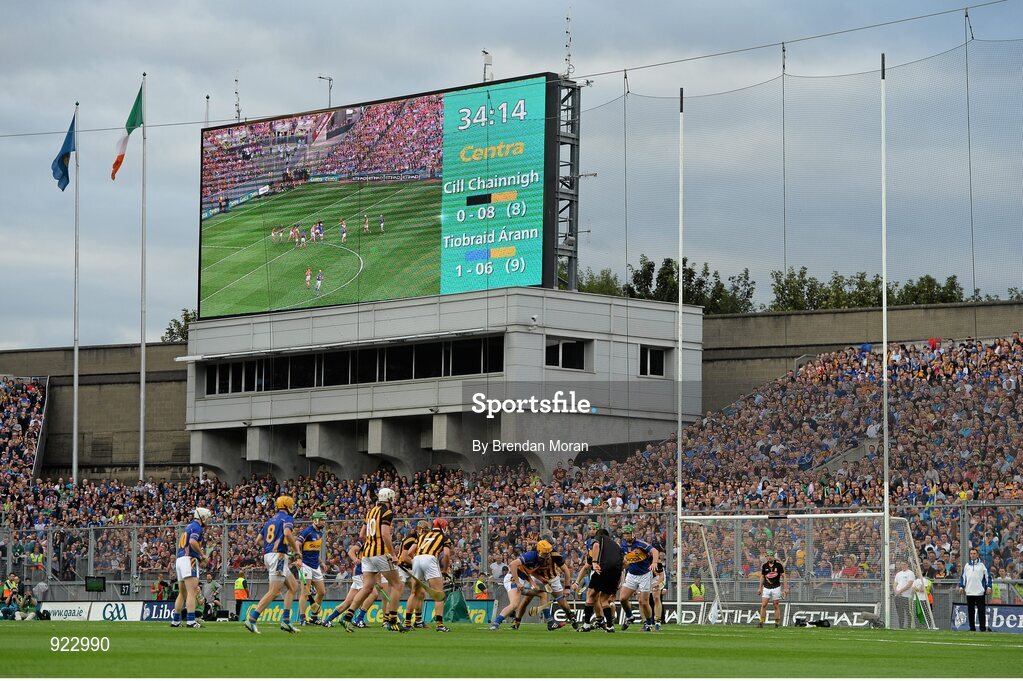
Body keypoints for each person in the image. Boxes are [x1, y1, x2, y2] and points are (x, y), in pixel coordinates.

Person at [335, 487, 405, 632]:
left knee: (367, 588)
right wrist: (392, 554)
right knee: (397, 585)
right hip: (380, 553)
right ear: (390, 499)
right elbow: (386, 535)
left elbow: (362, 534)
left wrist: (372, 543)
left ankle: (348, 616)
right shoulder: (387, 512)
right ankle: (392, 621)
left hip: (367, 554)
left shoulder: (371, 511)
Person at [245, 495, 303, 634]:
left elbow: (258, 540)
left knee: (293, 587)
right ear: (288, 506)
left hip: (271, 555)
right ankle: (252, 619)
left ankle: (286, 621)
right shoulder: (287, 518)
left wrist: (270, 548)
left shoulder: (270, 520)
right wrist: (296, 550)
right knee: (274, 592)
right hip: (279, 558)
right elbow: (288, 534)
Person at [406, 518, 452, 632]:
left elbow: (410, 552)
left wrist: (418, 562)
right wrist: (445, 570)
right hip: (430, 559)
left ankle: (407, 623)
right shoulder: (443, 537)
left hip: (416, 559)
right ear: (443, 527)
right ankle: (439, 625)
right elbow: (446, 555)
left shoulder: (422, 536)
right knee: (439, 594)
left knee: (414, 593)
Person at [173, 507, 212, 629]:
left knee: (182, 593)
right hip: (188, 560)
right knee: (192, 592)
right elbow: (193, 542)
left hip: (180, 559)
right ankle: (191, 621)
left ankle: (176, 621)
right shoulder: (197, 527)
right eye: (207, 518)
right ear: (203, 517)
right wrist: (202, 555)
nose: (208, 520)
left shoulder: (188, 527)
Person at [618, 524, 660, 631]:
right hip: (632, 574)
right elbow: (625, 561)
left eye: (628, 534)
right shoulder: (622, 546)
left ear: (632, 534)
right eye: (624, 534)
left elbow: (655, 551)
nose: (626, 536)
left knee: (644, 602)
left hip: (645, 575)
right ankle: (630, 616)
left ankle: (649, 624)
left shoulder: (641, 544)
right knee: (622, 598)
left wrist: (654, 562)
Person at [297, 512, 328, 625]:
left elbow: (314, 550)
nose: (324, 522)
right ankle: (302, 618)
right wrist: (299, 558)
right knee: (305, 593)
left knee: (321, 592)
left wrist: (321, 562)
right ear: (316, 520)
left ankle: (314, 617)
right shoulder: (307, 531)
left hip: (315, 565)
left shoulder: (319, 533)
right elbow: (297, 544)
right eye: (322, 520)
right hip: (305, 565)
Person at [960, 547, 992, 632]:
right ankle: (972, 628)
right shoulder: (967, 565)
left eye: (974, 553)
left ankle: (982, 628)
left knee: (981, 611)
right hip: (969, 592)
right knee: (970, 611)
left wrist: (989, 587)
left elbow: (988, 577)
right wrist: (961, 586)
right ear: (969, 555)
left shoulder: (982, 565)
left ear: (977, 554)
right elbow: (963, 577)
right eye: (971, 554)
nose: (972, 555)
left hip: (979, 592)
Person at [757, 549, 786, 628]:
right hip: (766, 587)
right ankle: (761, 622)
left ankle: (776, 623)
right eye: (768, 556)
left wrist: (785, 588)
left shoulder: (779, 565)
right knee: (764, 604)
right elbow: (762, 577)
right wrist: (760, 588)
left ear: (773, 556)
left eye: (770, 556)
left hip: (776, 587)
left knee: (776, 605)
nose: (769, 557)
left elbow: (784, 576)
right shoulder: (764, 566)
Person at [892, 559, 918, 629]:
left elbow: (909, 584)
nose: (903, 566)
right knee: (900, 612)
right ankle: (901, 626)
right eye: (902, 564)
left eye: (904, 564)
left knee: (908, 612)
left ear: (907, 565)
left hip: (906, 596)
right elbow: (895, 583)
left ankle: (909, 626)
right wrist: (896, 591)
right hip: (898, 596)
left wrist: (900, 591)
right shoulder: (898, 574)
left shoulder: (910, 573)